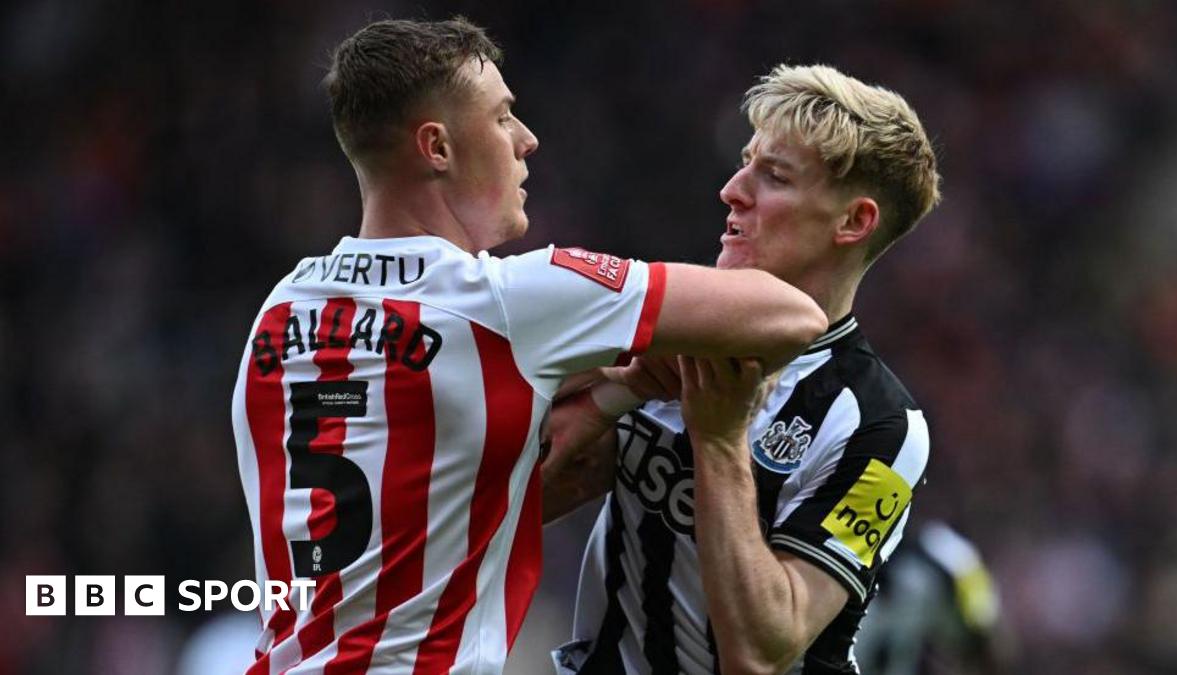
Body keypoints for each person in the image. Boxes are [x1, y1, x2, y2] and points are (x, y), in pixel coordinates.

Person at [230, 18, 827, 675]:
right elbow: (791, 314)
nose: (527, 140)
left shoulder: (280, 311)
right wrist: (652, 356)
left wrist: (616, 383)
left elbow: (445, 466)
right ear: (438, 148)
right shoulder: (506, 300)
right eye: (503, 117)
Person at [542, 64, 942, 674]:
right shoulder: (674, 330)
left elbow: (763, 652)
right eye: (746, 161)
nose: (733, 189)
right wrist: (617, 389)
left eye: (774, 176)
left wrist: (722, 441)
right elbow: (522, 504)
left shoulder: (882, 426)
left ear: (853, 222)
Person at [854, 520, 1014, 675]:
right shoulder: (981, 613)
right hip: (906, 583)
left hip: (905, 589)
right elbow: (943, 548)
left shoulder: (973, 622)